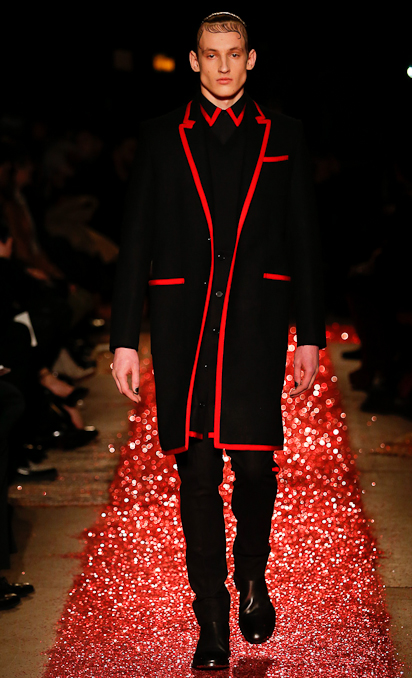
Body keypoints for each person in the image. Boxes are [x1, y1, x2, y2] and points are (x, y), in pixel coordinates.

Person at [110, 12, 326, 671]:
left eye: (235, 54)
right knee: (198, 476)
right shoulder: (161, 136)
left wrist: (310, 336)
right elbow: (136, 239)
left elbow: (304, 239)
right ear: (194, 60)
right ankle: (211, 618)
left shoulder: (284, 135)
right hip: (185, 328)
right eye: (212, 54)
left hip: (256, 325)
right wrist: (124, 339)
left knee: (256, 468)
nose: (224, 66)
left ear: (251, 59)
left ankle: (252, 573)